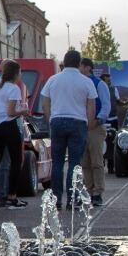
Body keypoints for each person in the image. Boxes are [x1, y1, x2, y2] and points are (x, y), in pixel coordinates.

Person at [38, 49, 97, 208]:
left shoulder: (53, 79)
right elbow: (91, 106)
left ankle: (56, 199)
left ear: (64, 61)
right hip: (78, 122)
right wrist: (89, 124)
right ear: (79, 63)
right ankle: (73, 199)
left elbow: (45, 103)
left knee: (57, 162)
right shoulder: (86, 81)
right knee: (74, 163)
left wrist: (50, 118)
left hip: (57, 121)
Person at [0, 59, 28, 208]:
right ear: (15, 73)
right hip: (9, 126)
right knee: (16, 161)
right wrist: (23, 111)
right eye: (20, 72)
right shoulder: (14, 89)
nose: (21, 75)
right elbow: (11, 112)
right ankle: (12, 195)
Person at [78, 58, 110, 207]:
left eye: (80, 66)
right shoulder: (78, 84)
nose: (78, 69)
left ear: (87, 67)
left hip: (95, 127)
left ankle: (98, 192)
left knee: (96, 161)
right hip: (81, 127)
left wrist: (98, 120)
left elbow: (105, 105)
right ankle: (89, 191)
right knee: (85, 162)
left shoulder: (99, 84)